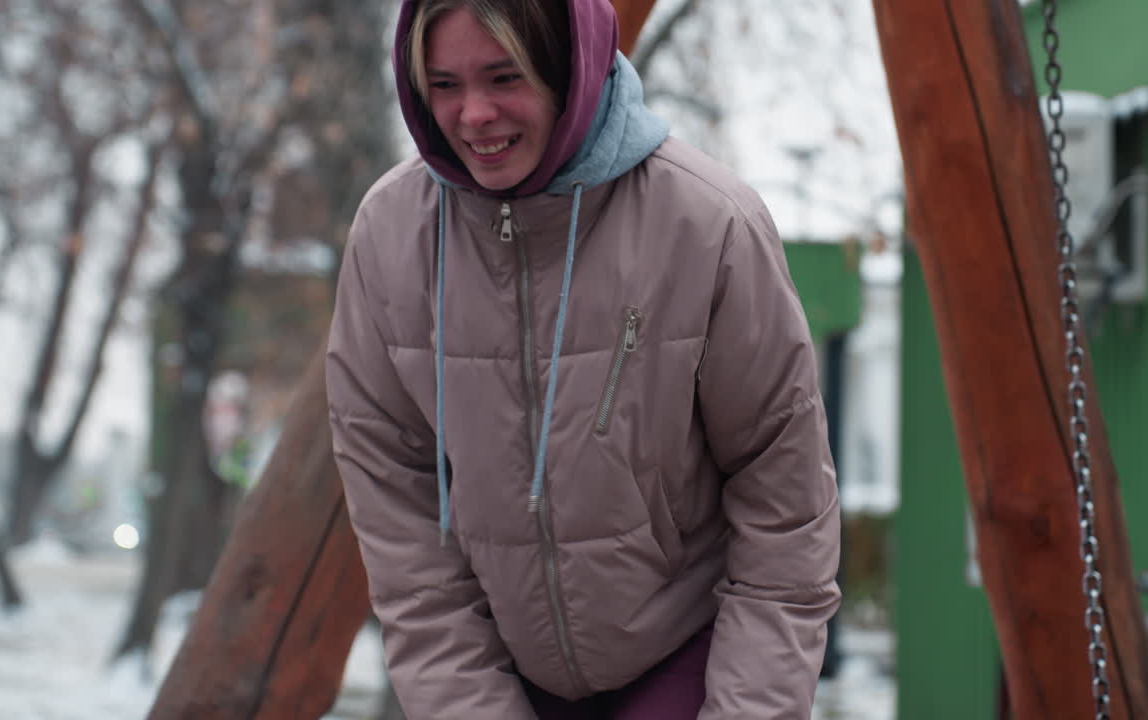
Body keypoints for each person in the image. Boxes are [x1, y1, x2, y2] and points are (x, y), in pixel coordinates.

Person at [325, 0, 841, 717]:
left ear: (571, 70)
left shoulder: (707, 225)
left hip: (690, 657)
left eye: (503, 77)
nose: (473, 114)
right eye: (443, 85)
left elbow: (784, 510)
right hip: (494, 668)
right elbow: (402, 525)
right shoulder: (391, 237)